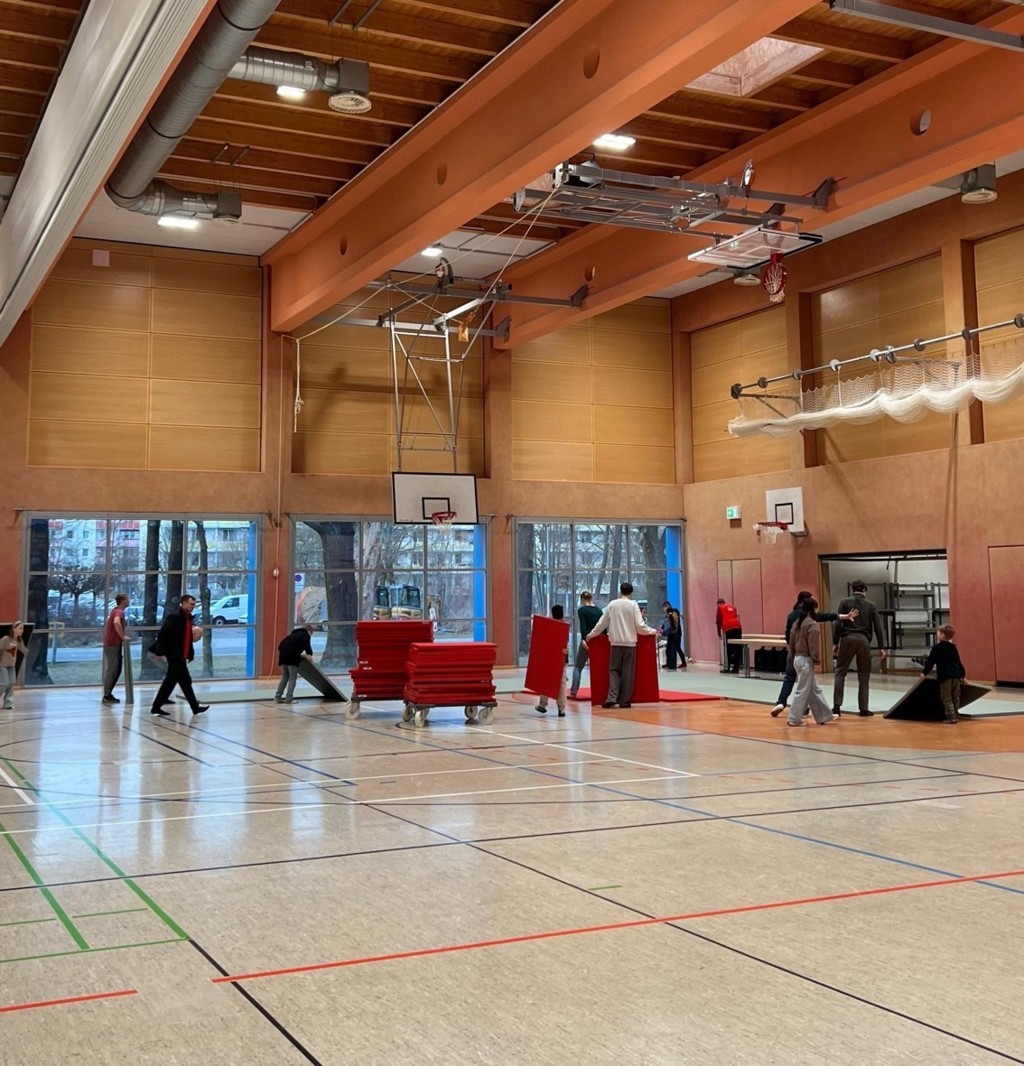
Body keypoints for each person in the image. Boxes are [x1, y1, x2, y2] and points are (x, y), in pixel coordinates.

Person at [771, 592, 858, 717]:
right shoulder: (811, 621)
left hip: (794, 654)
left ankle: (782, 702)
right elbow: (826, 619)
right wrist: (816, 659)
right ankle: (796, 715)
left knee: (795, 680)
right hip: (805, 656)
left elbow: (788, 637)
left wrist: (793, 650)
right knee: (805, 687)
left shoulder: (793, 617)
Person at [586, 582, 659, 709]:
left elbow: (602, 623)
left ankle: (612, 697)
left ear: (620, 591)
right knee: (628, 672)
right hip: (630, 644)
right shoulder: (633, 605)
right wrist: (652, 631)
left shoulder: (612, 604)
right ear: (631, 592)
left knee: (614, 670)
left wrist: (592, 634)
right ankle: (625, 700)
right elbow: (640, 626)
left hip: (615, 643)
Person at [832, 579, 887, 717]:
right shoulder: (871, 605)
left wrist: (835, 642)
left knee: (840, 673)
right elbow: (878, 627)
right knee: (864, 675)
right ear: (864, 590)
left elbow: (838, 623)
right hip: (864, 640)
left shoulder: (844, 602)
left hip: (847, 639)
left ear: (853, 590)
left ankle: (836, 706)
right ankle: (863, 708)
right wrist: (881, 647)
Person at [148, 594, 209, 717]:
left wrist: (189, 654)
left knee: (173, 682)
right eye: (191, 604)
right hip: (174, 655)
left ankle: (157, 707)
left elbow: (186, 639)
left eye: (194, 605)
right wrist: (159, 652)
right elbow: (163, 634)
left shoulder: (187, 619)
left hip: (180, 655)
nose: (193, 606)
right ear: (184, 603)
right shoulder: (175, 617)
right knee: (184, 681)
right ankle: (194, 707)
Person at [787, 598, 838, 727]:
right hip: (806, 659)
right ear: (813, 609)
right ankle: (794, 718)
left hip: (797, 658)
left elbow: (791, 642)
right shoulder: (812, 624)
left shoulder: (797, 623)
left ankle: (824, 715)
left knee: (814, 689)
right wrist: (816, 659)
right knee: (803, 690)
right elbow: (813, 645)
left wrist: (793, 656)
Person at [921, 623, 966, 724]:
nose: (937, 634)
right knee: (955, 696)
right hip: (956, 675)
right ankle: (956, 714)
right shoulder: (953, 647)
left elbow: (931, 662)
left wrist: (924, 673)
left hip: (945, 675)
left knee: (946, 697)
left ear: (942, 634)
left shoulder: (937, 648)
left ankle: (951, 716)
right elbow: (958, 662)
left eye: (938, 632)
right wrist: (963, 675)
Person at [569, 591, 603, 698]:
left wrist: (584, 639)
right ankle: (600, 691)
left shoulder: (582, 611)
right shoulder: (599, 611)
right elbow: (602, 626)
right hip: (598, 641)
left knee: (578, 667)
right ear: (591, 598)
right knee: (599, 668)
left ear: (582, 599)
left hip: (588, 640)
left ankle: (574, 691)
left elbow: (583, 626)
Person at [535, 605, 568, 717]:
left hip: (550, 657)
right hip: (562, 658)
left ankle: (542, 705)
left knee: (547, 681)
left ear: (552, 614)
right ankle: (561, 709)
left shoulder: (549, 626)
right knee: (562, 684)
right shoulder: (565, 626)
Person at [102, 593, 130, 704]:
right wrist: (122, 636)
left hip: (111, 644)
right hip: (112, 645)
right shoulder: (119, 612)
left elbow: (108, 622)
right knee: (113, 669)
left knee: (116, 669)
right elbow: (116, 622)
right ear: (123, 601)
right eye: (127, 599)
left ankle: (108, 693)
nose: (128, 601)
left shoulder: (114, 611)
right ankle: (107, 695)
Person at [276, 623, 315, 703]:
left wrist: (285, 653)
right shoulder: (305, 635)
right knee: (292, 678)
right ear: (309, 631)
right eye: (311, 633)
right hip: (292, 659)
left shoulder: (291, 635)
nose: (310, 635)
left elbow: (280, 646)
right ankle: (288, 698)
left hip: (283, 658)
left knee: (284, 677)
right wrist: (309, 654)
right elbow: (306, 644)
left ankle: (277, 697)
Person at [0, 622, 28, 710]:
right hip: (2, 664)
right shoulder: (6, 639)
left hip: (11, 665)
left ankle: (8, 703)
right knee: (4, 683)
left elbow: (24, 650)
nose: (22, 631)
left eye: (22, 629)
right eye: (20, 628)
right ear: (14, 629)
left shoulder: (18, 640)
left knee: (11, 683)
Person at [716, 598, 743, 673]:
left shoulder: (719, 608)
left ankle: (727, 667)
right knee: (737, 647)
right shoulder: (733, 607)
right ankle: (736, 667)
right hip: (738, 627)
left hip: (728, 628)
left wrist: (719, 632)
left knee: (728, 648)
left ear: (718, 604)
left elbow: (718, 621)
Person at [661, 601, 682, 670]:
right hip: (671, 634)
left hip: (675, 634)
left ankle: (672, 665)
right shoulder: (668, 614)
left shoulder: (674, 612)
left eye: (664, 608)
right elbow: (665, 624)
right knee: (668, 650)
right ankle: (669, 663)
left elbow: (673, 623)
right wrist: (662, 627)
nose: (664, 610)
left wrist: (664, 631)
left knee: (673, 649)